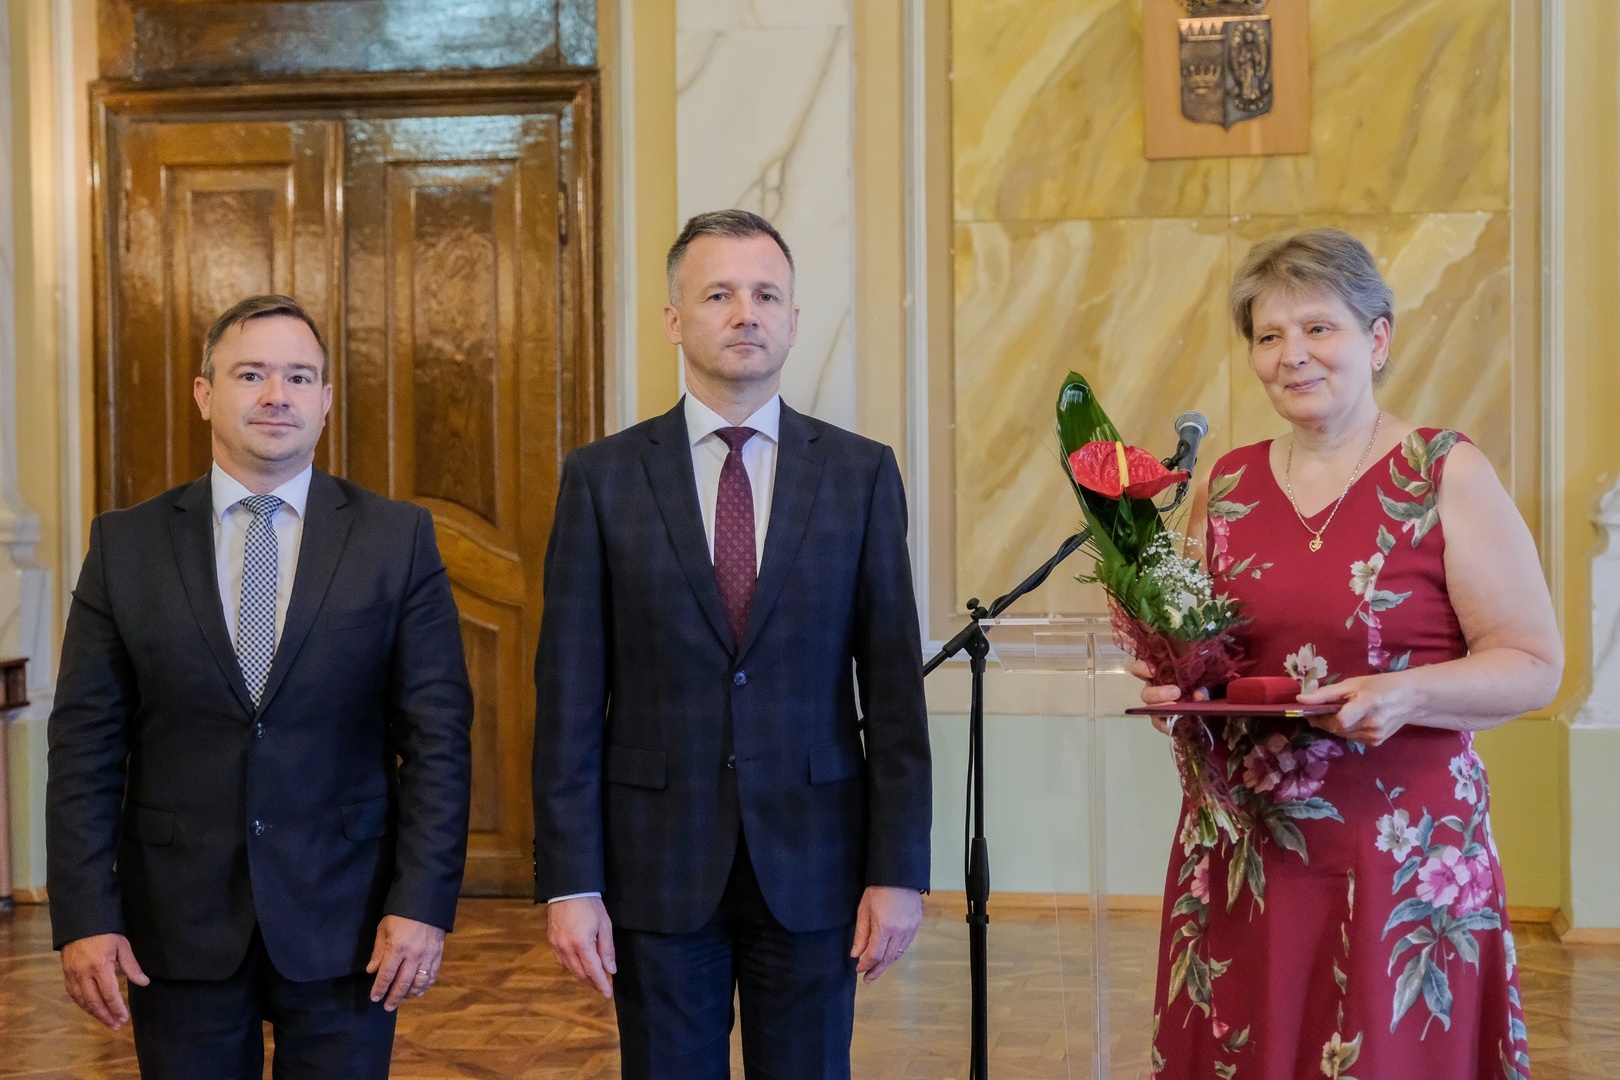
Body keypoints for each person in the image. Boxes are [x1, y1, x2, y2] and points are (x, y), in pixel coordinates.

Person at [1135, 228, 1562, 1079]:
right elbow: (1205, 659)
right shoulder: (1224, 485)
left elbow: (1533, 664)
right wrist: (1174, 690)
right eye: (1269, 335)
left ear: (1377, 339)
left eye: (1318, 328)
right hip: (1247, 850)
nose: (1292, 354)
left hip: (1401, 853)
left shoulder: (1444, 473)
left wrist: (1405, 695)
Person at [533, 209, 932, 1079]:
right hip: (655, 864)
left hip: (817, 861)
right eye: (719, 294)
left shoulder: (860, 474)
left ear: (794, 319)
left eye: (766, 295)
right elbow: (568, 698)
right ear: (674, 320)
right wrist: (571, 880)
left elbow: (895, 693)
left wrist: (898, 870)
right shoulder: (602, 479)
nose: (746, 313)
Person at [46, 295, 474, 1079]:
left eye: (299, 377)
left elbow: (438, 740)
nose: (277, 395)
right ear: (204, 393)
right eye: (251, 374)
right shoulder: (125, 546)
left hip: (348, 919)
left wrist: (421, 904)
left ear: (326, 401)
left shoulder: (395, 540)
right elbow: (83, 750)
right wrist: (83, 913)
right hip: (174, 925)